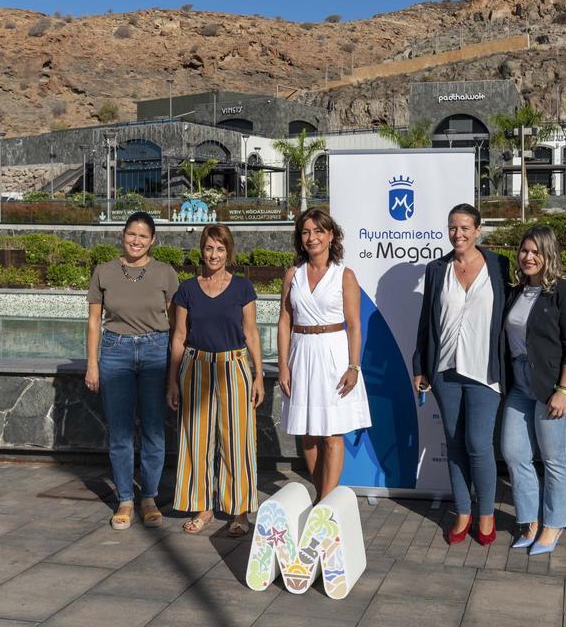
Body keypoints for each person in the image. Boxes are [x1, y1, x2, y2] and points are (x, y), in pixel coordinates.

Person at [413, 203, 510, 546]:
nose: (458, 234)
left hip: (485, 371)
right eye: (453, 227)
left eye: (465, 227)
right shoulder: (437, 268)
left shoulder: (499, 265)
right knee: (454, 444)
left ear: (478, 230)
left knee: (478, 444)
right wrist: (419, 366)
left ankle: (486, 514)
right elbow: (427, 321)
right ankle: (463, 512)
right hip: (445, 370)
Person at [167, 225, 264, 537]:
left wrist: (259, 375)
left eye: (220, 249)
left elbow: (251, 333)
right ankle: (203, 507)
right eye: (209, 248)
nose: (214, 254)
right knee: (196, 439)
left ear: (229, 253)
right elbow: (179, 337)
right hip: (196, 368)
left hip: (234, 368)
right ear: (201, 249)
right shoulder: (187, 289)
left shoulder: (242, 288)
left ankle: (238, 511)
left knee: (237, 441)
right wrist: (172, 380)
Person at [85, 211, 180, 530]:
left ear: (153, 240)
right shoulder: (103, 272)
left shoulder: (165, 273)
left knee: (154, 427)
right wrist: (92, 364)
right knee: (120, 430)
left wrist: (175, 371)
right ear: (122, 235)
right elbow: (94, 322)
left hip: (155, 352)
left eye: (143, 236)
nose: (136, 240)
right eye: (131, 234)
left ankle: (149, 496)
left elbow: (177, 323)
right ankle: (125, 499)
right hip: (115, 351)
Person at [500, 225, 566, 555]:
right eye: (524, 250)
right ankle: (530, 520)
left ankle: (554, 525)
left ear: (549, 254)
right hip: (521, 384)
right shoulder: (515, 292)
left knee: (555, 459)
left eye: (536, 251)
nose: (528, 256)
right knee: (514, 452)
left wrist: (563, 390)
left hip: (556, 385)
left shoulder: (565, 293)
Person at [277, 208, 371, 500]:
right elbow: (284, 322)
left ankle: (325, 504)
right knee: (306, 434)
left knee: (331, 435)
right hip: (301, 354)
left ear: (331, 236)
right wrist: (283, 366)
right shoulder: (292, 275)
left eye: (318, 231)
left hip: (333, 354)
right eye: (306, 232)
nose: (312, 237)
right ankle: (322, 496)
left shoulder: (345, 275)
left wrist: (353, 366)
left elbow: (355, 325)